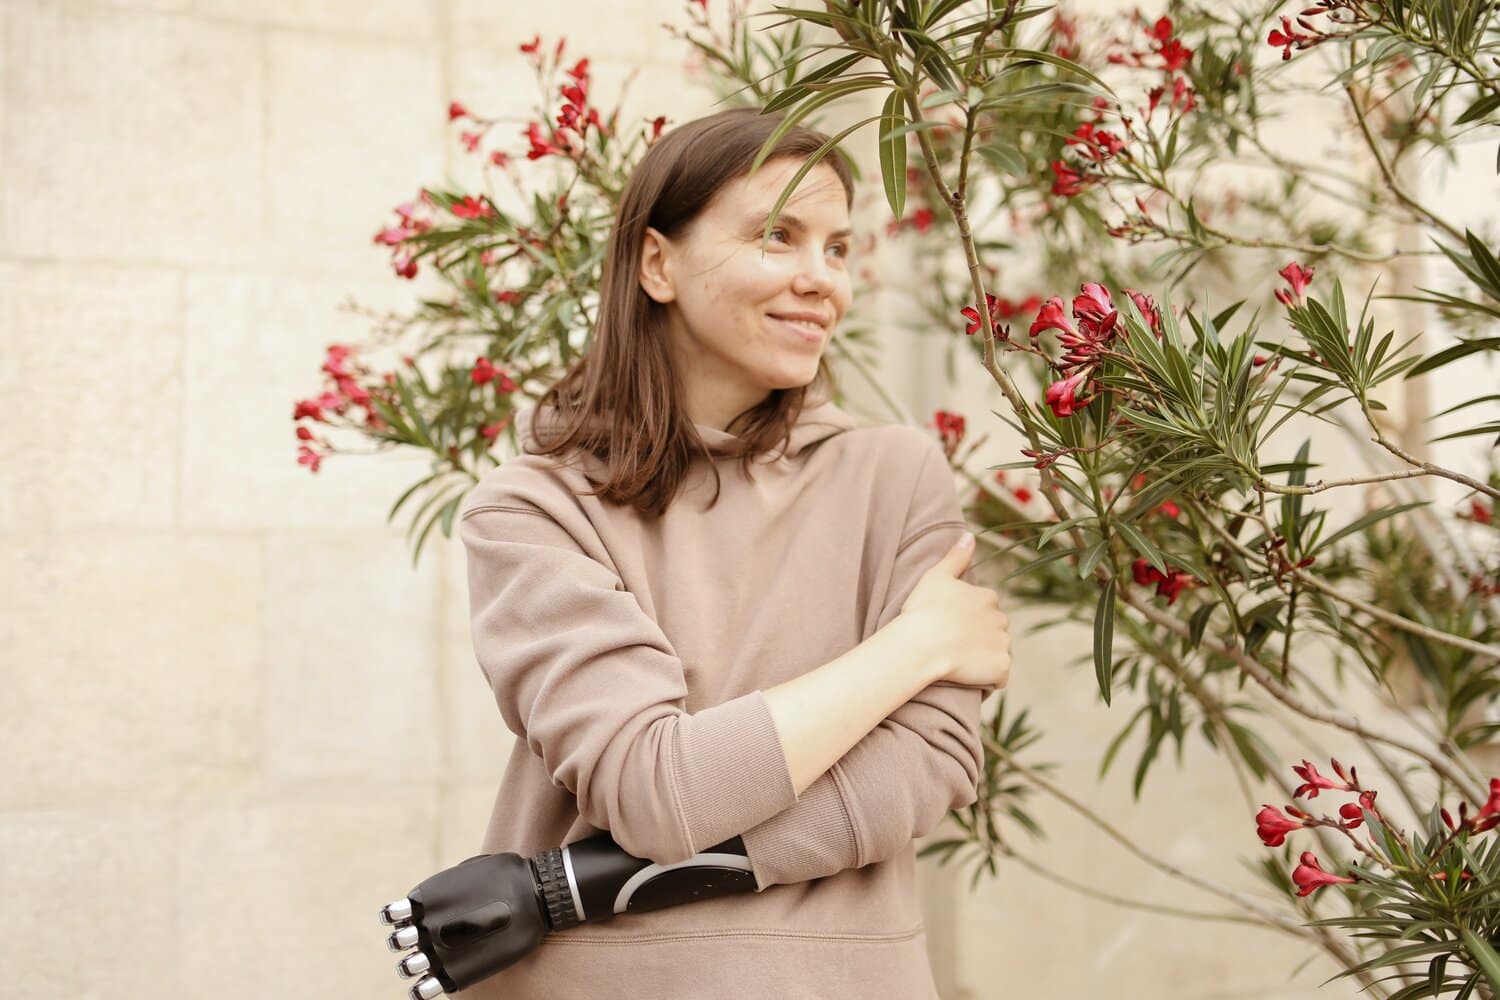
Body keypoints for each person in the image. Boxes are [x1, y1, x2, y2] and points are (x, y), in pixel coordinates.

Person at [455, 106, 1012, 999]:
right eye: (779, 236)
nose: (820, 279)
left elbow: (936, 759)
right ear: (656, 263)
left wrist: (653, 850)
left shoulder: (895, 475)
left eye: (837, 248)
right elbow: (653, 788)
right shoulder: (532, 508)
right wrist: (914, 649)